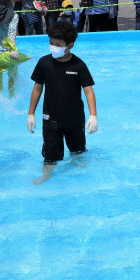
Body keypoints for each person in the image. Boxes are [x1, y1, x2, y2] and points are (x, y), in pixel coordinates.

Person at [27, 19, 97, 182]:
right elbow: (37, 88)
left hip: (75, 119)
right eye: (51, 43)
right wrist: (31, 113)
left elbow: (88, 91)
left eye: (58, 45)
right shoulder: (44, 63)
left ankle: (80, 173)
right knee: (51, 154)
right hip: (50, 119)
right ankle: (46, 175)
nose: (53, 47)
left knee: (78, 150)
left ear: (70, 45)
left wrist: (93, 115)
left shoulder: (79, 65)